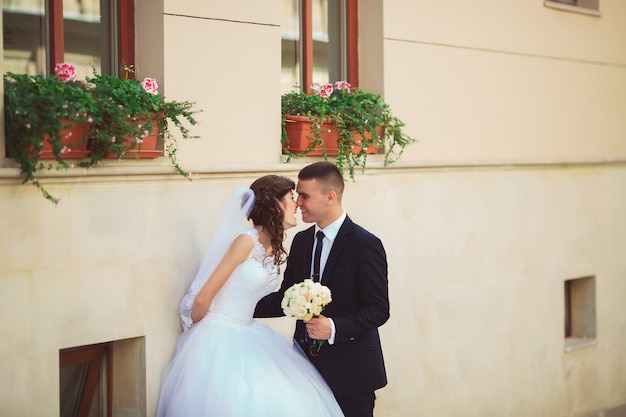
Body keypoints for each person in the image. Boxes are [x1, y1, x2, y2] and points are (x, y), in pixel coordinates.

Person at [156, 175, 344, 417]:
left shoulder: (273, 247)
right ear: (276, 204)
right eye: (291, 197)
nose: (297, 203)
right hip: (218, 336)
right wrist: (201, 337)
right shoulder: (246, 241)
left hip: (249, 331)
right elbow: (203, 298)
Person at [255, 162, 390, 417]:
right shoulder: (302, 241)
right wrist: (234, 308)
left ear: (330, 197)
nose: (298, 202)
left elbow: (378, 309)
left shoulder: (366, 245)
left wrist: (334, 328)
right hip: (303, 370)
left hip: (352, 375)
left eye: (305, 196)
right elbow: (286, 299)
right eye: (297, 196)